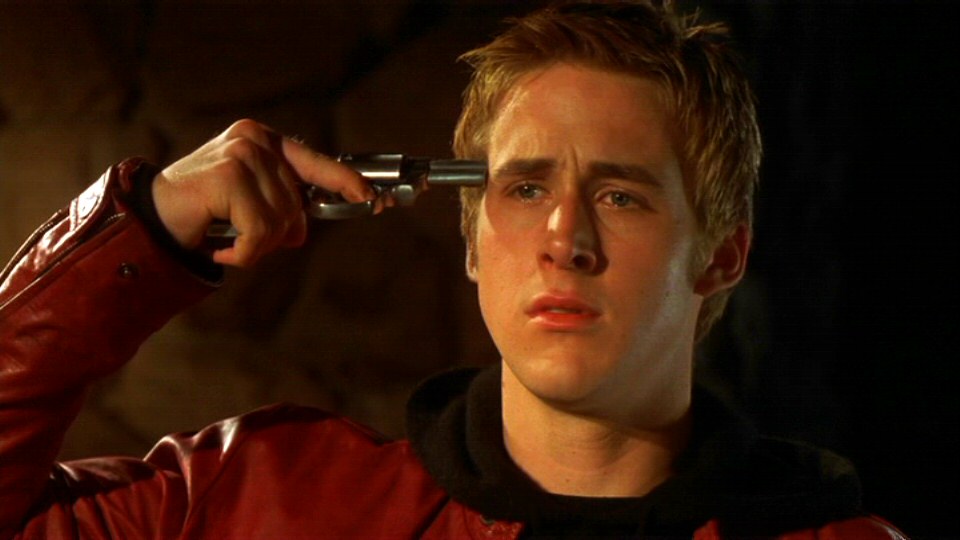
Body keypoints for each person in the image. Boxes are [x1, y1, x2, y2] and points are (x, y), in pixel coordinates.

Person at [0, 2, 905, 538]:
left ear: (723, 254)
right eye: (526, 188)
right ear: (472, 242)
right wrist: (144, 226)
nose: (565, 237)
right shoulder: (263, 498)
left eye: (621, 195)